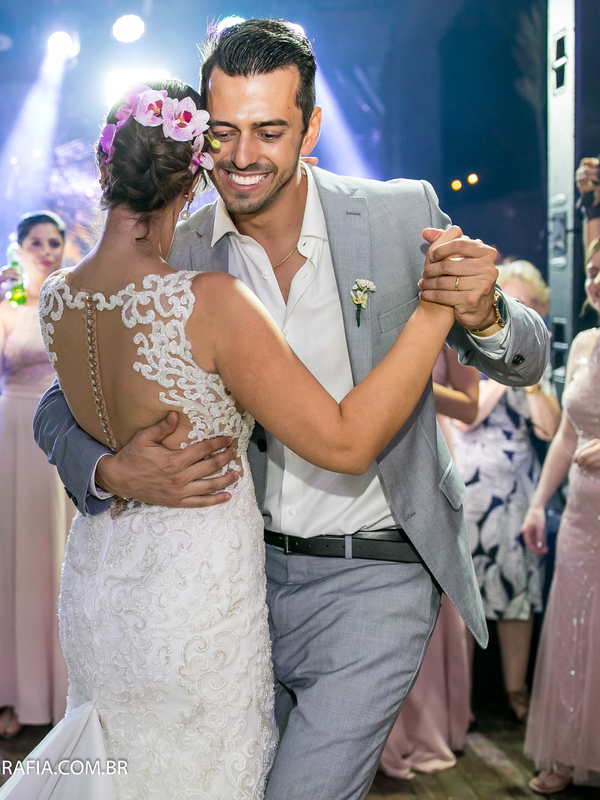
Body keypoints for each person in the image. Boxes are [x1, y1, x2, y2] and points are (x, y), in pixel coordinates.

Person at [31, 21, 549, 800]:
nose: (242, 157)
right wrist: (109, 471)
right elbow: (56, 404)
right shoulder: (180, 249)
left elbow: (527, 357)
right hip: (231, 587)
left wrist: (483, 312)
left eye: (269, 131)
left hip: (375, 577)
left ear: (311, 127)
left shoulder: (398, 215)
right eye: (224, 133)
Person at [0, 211, 74, 738]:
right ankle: (15, 694)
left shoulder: (75, 301)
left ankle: (65, 697)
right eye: (36, 242)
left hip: (66, 436)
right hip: (12, 433)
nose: (47, 251)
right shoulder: (6, 307)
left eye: (54, 242)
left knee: (59, 560)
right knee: (12, 562)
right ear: (18, 248)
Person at [453, 261, 560, 724]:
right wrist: (506, 370)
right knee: (464, 596)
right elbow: (467, 419)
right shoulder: (471, 353)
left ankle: (518, 691)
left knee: (516, 590)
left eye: (526, 305)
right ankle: (461, 700)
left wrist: (531, 378)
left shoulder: (537, 368)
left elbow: (551, 429)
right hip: (470, 490)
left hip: (516, 492)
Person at [520, 239, 600, 795]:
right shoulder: (586, 344)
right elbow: (568, 435)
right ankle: (570, 755)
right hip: (580, 513)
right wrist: (537, 503)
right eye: (592, 271)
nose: (595, 280)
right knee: (573, 630)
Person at [378, 348, 478, 780]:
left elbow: (469, 406)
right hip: (369, 444)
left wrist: (403, 382)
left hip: (425, 454)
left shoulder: (451, 316)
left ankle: (423, 726)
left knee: (425, 587)